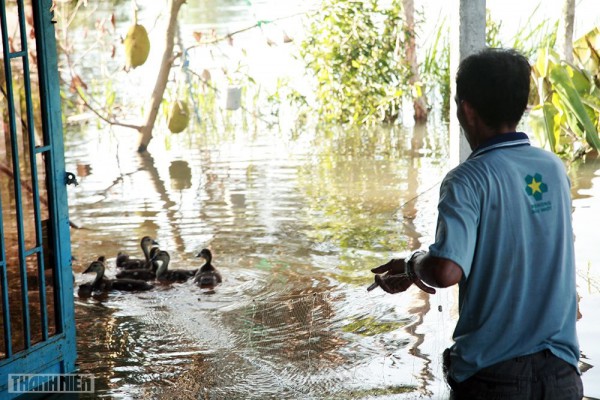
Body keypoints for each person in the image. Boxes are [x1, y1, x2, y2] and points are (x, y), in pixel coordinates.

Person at [370, 48, 583, 399]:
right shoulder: (554, 169)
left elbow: (446, 272)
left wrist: (412, 265)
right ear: (521, 105)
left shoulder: (466, 180)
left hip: (493, 377)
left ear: (466, 110)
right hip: (560, 374)